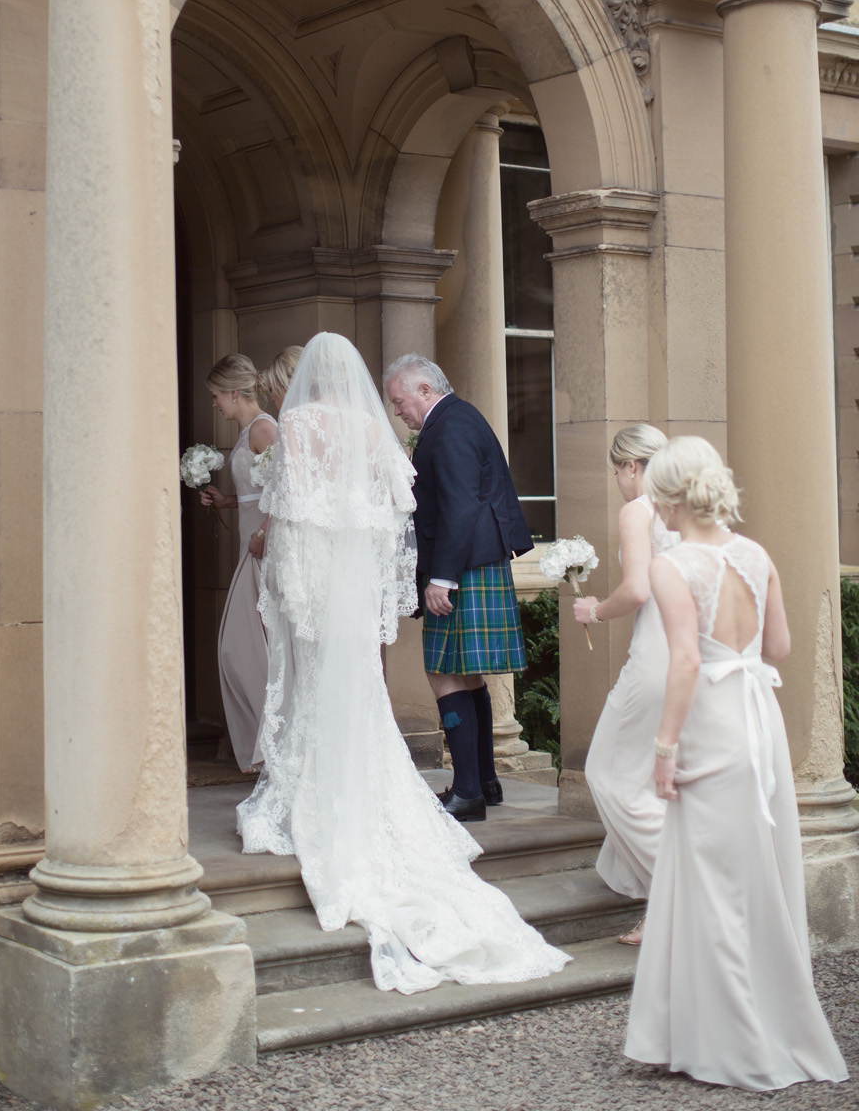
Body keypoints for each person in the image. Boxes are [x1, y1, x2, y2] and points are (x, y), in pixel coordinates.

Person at [238, 332, 571, 994]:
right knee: (368, 693)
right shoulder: (372, 431)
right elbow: (400, 509)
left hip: (324, 579)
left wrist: (289, 568)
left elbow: (293, 506)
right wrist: (386, 581)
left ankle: (447, 788)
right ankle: (470, 785)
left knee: (349, 688)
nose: (398, 413)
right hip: (357, 588)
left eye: (402, 402)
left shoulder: (303, 424)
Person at [625, 436, 848, 1090]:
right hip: (758, 721)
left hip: (711, 728)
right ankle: (743, 1027)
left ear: (668, 498)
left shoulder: (676, 565)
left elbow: (687, 661)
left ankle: (741, 1046)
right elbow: (776, 645)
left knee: (714, 887)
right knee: (756, 876)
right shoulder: (756, 555)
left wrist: (664, 749)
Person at [383, 353, 532, 822]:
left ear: (425, 390)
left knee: (444, 672)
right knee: (467, 674)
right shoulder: (458, 418)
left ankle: (468, 791)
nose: (397, 411)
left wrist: (440, 578)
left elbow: (460, 507)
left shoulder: (448, 427)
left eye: (399, 400)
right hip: (477, 562)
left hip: (464, 565)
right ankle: (482, 782)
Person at [574, 425, 678, 944]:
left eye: (617, 469)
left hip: (655, 657)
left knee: (607, 772)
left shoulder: (638, 511)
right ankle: (662, 906)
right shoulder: (689, 509)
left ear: (631, 466)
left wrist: (594, 608)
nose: (617, 479)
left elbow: (637, 589)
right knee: (652, 781)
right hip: (690, 656)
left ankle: (685, 892)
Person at [199, 354, 277, 772]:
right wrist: (227, 500)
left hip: (263, 550)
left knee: (244, 648)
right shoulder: (250, 430)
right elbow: (258, 491)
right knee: (245, 648)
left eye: (215, 396)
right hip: (251, 544)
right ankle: (268, 745)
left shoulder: (265, 429)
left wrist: (263, 535)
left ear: (233, 392)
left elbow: (289, 489)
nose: (214, 404)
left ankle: (274, 743)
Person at [246, 345, 304, 562]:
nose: (271, 398)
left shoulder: (293, 423)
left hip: (296, 538)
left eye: (272, 390)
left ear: (285, 386)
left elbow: (288, 490)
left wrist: (262, 534)